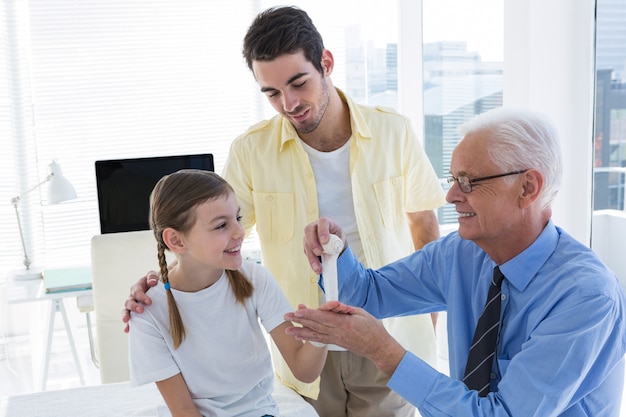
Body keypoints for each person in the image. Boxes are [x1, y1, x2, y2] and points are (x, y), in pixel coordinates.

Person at [123, 6, 446, 417]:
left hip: (386, 334)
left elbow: (424, 227)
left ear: (326, 63)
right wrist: (159, 280)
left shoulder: (393, 131)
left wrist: (426, 327)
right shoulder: (251, 150)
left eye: (298, 83)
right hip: (304, 343)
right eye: (272, 93)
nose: (288, 103)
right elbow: (212, 236)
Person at [286, 107, 626, 416]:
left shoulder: (586, 296)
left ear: (528, 187)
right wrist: (336, 252)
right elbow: (367, 294)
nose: (450, 196)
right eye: (452, 179)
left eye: (468, 181)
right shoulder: (461, 253)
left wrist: (383, 351)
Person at [128, 169, 327, 417]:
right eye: (221, 225)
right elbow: (184, 411)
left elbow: (304, 370)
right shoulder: (148, 312)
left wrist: (323, 332)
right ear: (177, 241)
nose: (239, 232)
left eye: (238, 218)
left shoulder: (255, 279)